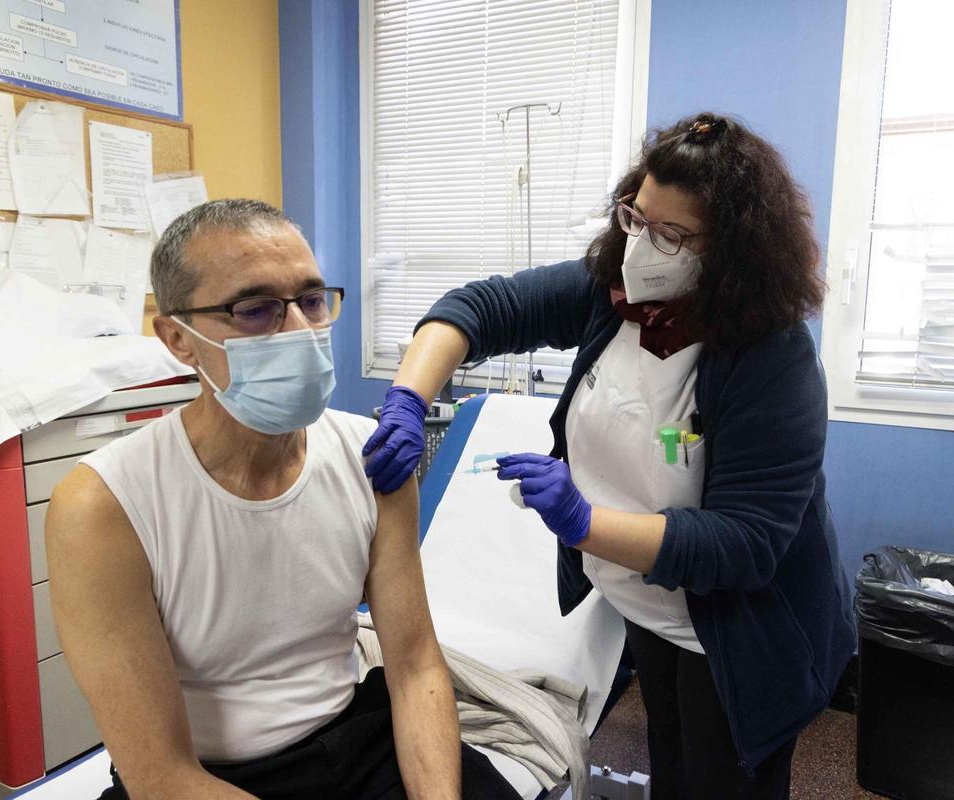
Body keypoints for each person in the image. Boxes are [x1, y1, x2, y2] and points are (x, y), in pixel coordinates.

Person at [363, 113, 857, 799]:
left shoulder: (773, 359)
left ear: (732, 251)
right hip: (649, 600)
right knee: (673, 768)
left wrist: (582, 521)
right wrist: (407, 400)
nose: (642, 246)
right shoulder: (611, 293)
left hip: (745, 631)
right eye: (636, 216)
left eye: (672, 235)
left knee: (724, 780)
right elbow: (479, 307)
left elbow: (745, 543)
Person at [46, 199, 517, 800]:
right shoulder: (106, 507)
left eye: (313, 300)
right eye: (256, 309)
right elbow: (161, 775)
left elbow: (416, 664)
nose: (300, 330)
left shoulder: (371, 459)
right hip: (207, 776)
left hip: (355, 742)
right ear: (177, 340)